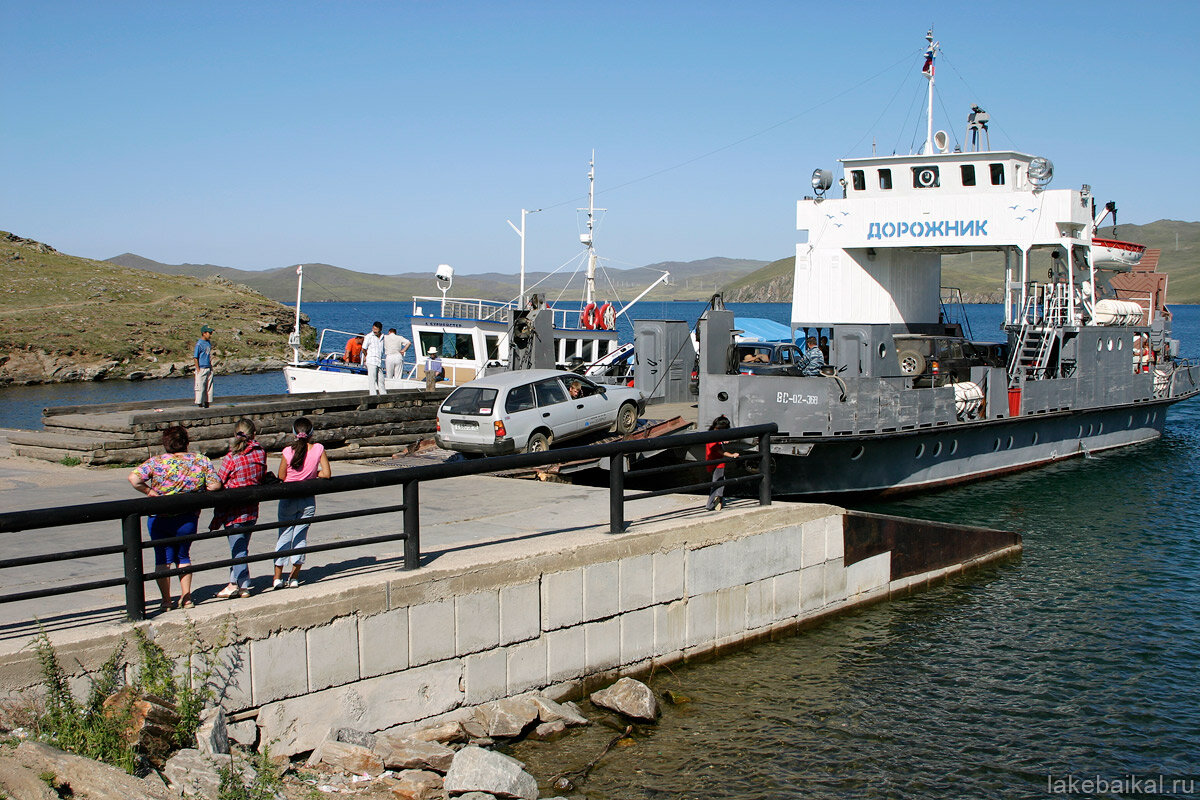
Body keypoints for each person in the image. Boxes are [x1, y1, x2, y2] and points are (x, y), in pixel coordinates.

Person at [128, 425, 221, 612]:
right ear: (186, 442)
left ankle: (166, 600)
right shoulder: (200, 461)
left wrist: (150, 491)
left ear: (165, 443)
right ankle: (186, 598)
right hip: (187, 517)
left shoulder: (156, 462)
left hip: (159, 517)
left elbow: (134, 478)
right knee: (183, 556)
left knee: (162, 560)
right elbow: (215, 486)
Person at [210, 418, 268, 599]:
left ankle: (243, 586)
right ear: (254, 435)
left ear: (235, 435)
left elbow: (219, 481)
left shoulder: (231, 458)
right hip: (251, 509)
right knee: (241, 547)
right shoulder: (260, 454)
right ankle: (233, 582)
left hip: (233, 511)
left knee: (238, 549)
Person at [275, 416, 331, 589]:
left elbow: (281, 476)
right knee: (300, 537)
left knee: (284, 535)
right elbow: (327, 473)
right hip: (307, 498)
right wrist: (313, 474)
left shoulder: (287, 451)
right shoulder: (318, 448)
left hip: (288, 498)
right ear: (311, 433)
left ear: (293, 433)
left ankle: (277, 578)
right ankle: (294, 576)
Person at [704, 416, 739, 512]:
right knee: (718, 482)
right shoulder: (714, 438)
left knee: (719, 481)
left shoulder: (711, 433)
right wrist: (731, 455)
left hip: (713, 462)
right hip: (717, 463)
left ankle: (716, 501)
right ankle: (713, 502)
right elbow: (719, 451)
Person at [193, 325, 215, 408]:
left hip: (208, 366)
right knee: (200, 386)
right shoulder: (199, 344)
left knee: (208, 386)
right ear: (204, 333)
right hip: (201, 367)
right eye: (209, 333)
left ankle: (207, 402)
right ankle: (199, 403)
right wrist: (198, 369)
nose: (210, 335)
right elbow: (195, 357)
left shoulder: (208, 343)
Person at [363, 321, 386, 395]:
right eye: (373, 329)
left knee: (381, 379)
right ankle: (373, 394)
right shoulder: (369, 336)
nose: (374, 331)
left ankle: (383, 394)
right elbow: (364, 348)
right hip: (371, 360)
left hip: (378, 361)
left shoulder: (383, 337)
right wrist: (366, 356)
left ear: (380, 329)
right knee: (372, 379)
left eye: (376, 329)